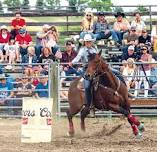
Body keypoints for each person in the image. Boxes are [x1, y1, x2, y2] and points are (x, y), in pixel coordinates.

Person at [70, 33, 126, 113]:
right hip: (88, 70)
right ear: (84, 42)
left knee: (117, 72)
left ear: (91, 42)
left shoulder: (94, 49)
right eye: (87, 42)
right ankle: (90, 105)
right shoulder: (82, 50)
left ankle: (125, 91)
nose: (88, 43)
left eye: (89, 41)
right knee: (87, 86)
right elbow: (77, 58)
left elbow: (98, 58)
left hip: (98, 68)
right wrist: (72, 62)